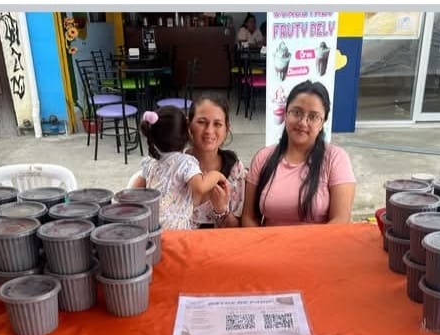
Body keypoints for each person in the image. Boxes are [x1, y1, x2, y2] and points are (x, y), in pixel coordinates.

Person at [241, 80, 356, 227]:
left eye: (313, 116)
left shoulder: (336, 159)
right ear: (285, 114)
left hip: (320, 242)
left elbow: (340, 220)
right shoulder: (263, 158)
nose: (302, 122)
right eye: (296, 112)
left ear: (323, 122)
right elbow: (249, 217)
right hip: (269, 241)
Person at [133, 107, 228, 230]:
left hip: (151, 226)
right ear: (187, 133)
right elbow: (200, 187)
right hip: (176, 229)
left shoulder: (150, 162)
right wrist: (216, 175)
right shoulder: (186, 163)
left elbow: (134, 192)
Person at [186, 95, 247, 228]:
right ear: (189, 124)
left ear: (227, 128)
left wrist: (222, 209)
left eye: (217, 124)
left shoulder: (234, 170)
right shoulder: (174, 165)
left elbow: (238, 230)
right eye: (202, 122)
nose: (209, 130)